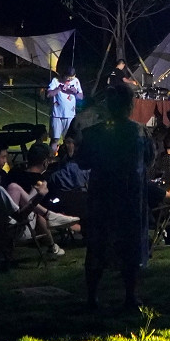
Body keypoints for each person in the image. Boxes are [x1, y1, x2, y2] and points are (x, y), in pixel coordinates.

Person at [76, 81, 156, 311]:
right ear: (130, 105)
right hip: (130, 197)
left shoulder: (94, 133)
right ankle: (130, 295)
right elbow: (149, 160)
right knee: (130, 244)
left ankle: (92, 297)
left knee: (98, 245)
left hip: (102, 196)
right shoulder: (140, 132)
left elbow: (82, 161)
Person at [47, 68, 84, 147]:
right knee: (55, 139)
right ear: (64, 76)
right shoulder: (55, 81)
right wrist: (59, 89)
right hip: (57, 115)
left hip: (70, 116)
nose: (69, 80)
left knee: (69, 140)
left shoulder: (76, 81)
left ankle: (65, 154)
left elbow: (81, 97)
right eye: (68, 78)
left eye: (71, 78)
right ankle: (51, 154)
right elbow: (49, 94)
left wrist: (75, 92)